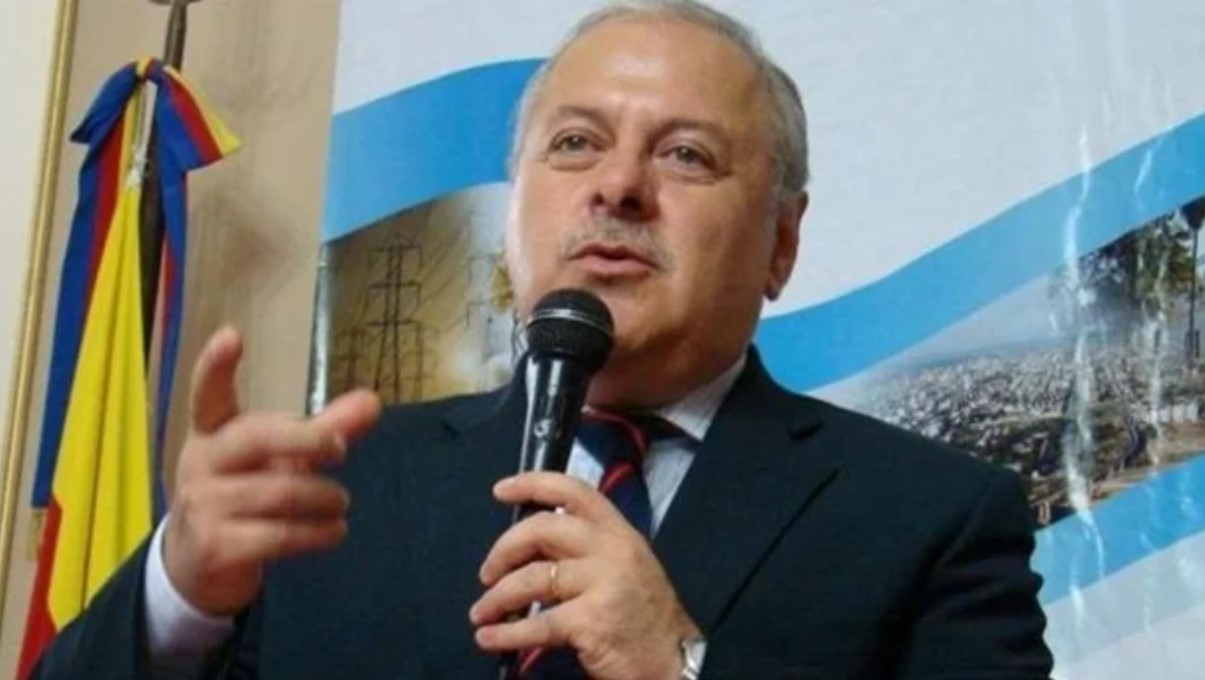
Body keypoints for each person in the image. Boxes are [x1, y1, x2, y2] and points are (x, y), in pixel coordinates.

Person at [28, 1, 1054, 678]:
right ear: (515, 208)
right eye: (574, 144)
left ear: (780, 243)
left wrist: (676, 664)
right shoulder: (331, 490)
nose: (617, 186)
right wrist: (181, 592)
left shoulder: (930, 519)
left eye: (685, 156)